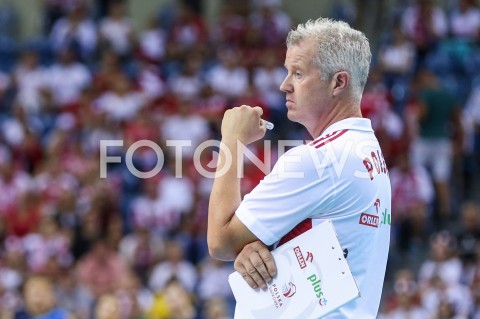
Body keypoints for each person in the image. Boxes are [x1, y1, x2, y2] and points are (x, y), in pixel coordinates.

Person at [207, 18, 391, 318]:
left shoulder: (320, 159)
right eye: (287, 72)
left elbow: (220, 240)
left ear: (338, 83)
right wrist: (252, 246)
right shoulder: (367, 151)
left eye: (299, 73)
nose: (284, 85)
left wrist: (232, 140)